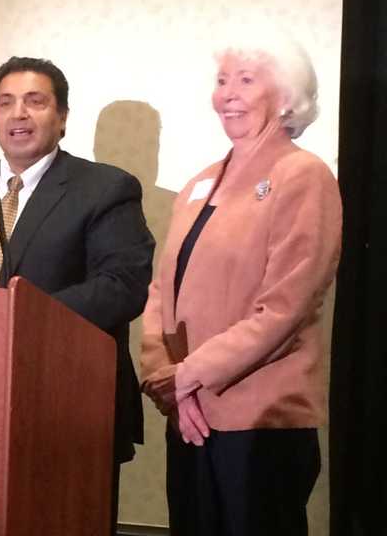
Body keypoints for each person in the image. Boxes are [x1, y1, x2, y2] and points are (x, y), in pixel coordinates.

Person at [0, 56, 155, 532]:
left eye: (35, 101)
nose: (17, 114)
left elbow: (122, 286)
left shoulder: (104, 188)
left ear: (62, 117)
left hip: (63, 403)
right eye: (5, 103)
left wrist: (19, 320)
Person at [140, 30, 342, 536]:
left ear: (287, 95)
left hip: (260, 422)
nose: (228, 94)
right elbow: (161, 292)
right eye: (222, 80)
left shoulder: (304, 175)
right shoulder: (197, 184)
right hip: (190, 415)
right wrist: (171, 384)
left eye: (246, 80)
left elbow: (285, 307)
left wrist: (189, 375)